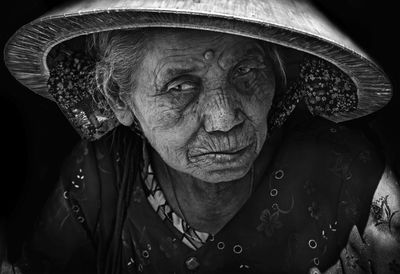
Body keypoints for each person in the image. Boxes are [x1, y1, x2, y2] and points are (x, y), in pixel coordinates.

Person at [2, 0, 399, 273]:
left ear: (276, 75)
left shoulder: (348, 170)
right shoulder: (98, 178)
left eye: (245, 72)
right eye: (180, 87)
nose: (224, 120)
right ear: (119, 99)